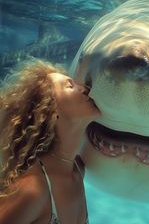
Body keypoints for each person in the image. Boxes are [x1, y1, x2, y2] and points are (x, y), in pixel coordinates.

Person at [0, 59, 100, 224]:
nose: (84, 88)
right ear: (52, 112)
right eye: (70, 86)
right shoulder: (33, 190)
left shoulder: (77, 170)